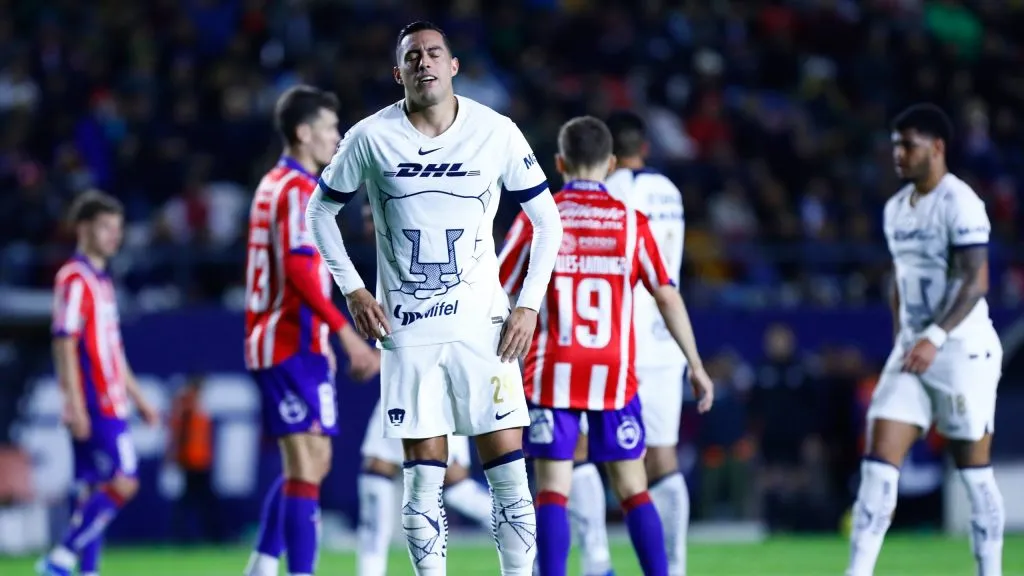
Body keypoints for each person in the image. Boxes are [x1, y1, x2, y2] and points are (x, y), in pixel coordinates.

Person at [305, 21, 562, 576]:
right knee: (423, 475)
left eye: (434, 53)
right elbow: (318, 212)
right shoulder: (371, 137)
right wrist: (352, 287)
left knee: (510, 474)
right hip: (408, 331)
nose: (424, 62)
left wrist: (528, 304)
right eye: (412, 56)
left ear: (453, 66)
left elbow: (549, 221)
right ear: (398, 73)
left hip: (484, 329)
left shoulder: (496, 132)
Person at [497, 116, 714, 576]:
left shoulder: (541, 216)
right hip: (614, 371)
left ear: (559, 162)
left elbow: (497, 283)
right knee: (634, 488)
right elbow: (666, 293)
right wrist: (695, 363)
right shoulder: (631, 223)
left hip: (553, 365)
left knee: (553, 489)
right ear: (610, 162)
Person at [845, 103, 1004, 576]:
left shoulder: (961, 203)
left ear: (937, 147)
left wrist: (934, 336)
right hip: (913, 350)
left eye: (908, 144)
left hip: (961, 351)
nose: (899, 154)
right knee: (877, 465)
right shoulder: (896, 208)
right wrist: (903, 339)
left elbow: (977, 281)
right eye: (896, 145)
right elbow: (900, 279)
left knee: (974, 474)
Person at [243, 85, 380, 576]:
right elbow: (301, 273)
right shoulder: (297, 190)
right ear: (304, 133)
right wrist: (346, 334)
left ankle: (262, 563)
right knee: (306, 465)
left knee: (312, 463)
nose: (336, 138)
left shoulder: (274, 184)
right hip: (288, 342)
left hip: (293, 343)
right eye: (328, 128)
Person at [38, 191, 160, 576]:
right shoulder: (74, 278)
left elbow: (113, 351)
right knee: (124, 481)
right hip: (94, 400)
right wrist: (73, 401)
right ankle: (61, 558)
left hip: (112, 398)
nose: (114, 236)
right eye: (106, 227)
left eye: (118, 229)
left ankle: (86, 570)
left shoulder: (102, 282)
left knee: (94, 490)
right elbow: (64, 340)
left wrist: (139, 397)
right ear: (84, 228)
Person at [605, 110, 689, 575]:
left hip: (616, 341)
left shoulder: (615, 191)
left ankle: (597, 560)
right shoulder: (671, 192)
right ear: (646, 147)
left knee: (572, 452)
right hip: (664, 339)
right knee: (663, 457)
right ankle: (673, 569)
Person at [357, 399, 494, 576]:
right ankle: (369, 571)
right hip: (397, 389)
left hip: (437, 393)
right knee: (377, 466)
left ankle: (525, 539)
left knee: (455, 484)